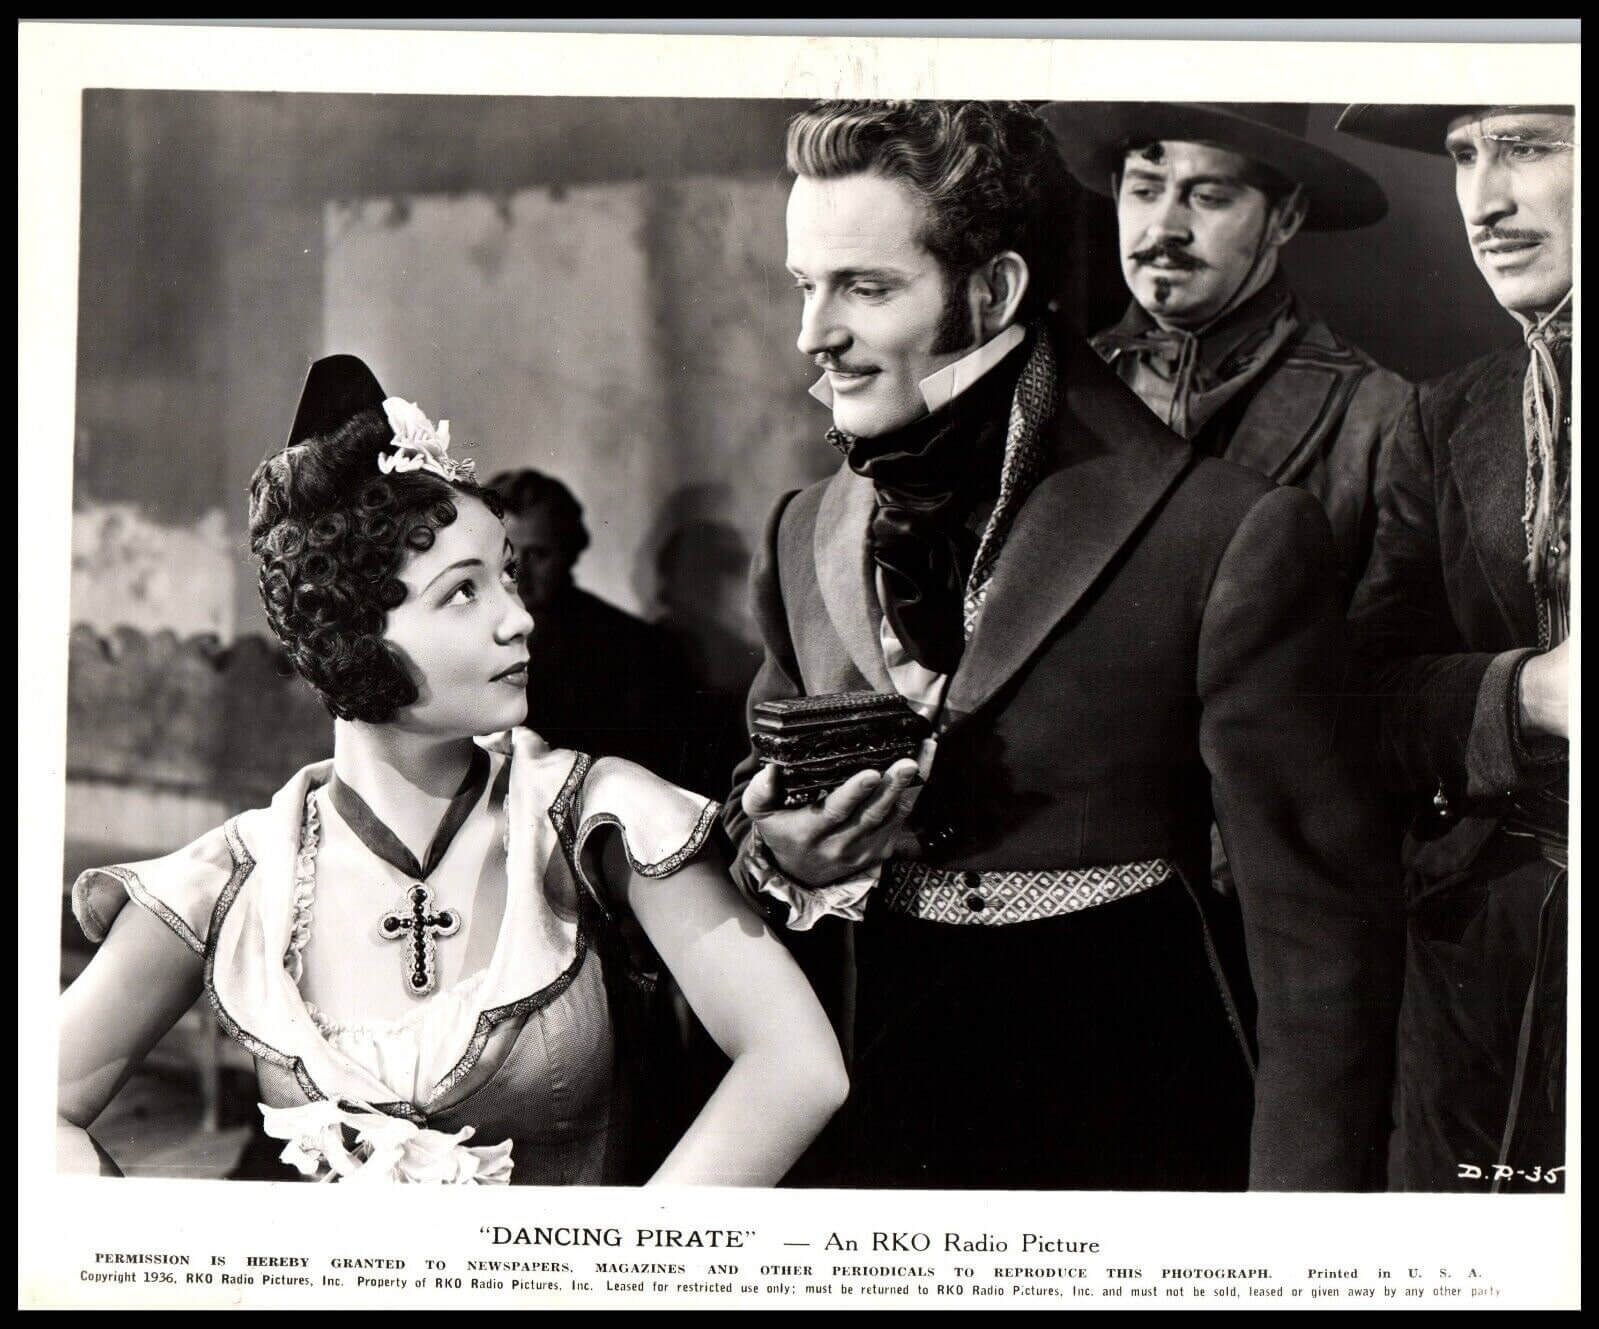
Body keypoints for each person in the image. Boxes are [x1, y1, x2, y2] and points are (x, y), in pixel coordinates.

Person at [725, 100, 1403, 1191]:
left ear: (993, 291)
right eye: (806, 285)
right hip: (877, 1124)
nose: (814, 333)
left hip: (1134, 1111)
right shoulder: (801, 529)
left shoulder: (1227, 534)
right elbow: (752, 807)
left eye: (865, 288)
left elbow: (1319, 947)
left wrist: (1295, 1235)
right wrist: (786, 857)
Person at [58, 355, 846, 1185]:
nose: (519, 618)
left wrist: (628, 1253)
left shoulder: (593, 813)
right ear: (351, 630)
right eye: (463, 592)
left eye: (507, 575)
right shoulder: (239, 873)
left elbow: (797, 1064)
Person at [1336, 103, 1574, 1193]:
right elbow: (1361, 697)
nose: (1485, 200)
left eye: (1527, 147)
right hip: (1483, 965)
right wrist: (1530, 696)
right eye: (1464, 156)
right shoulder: (1449, 415)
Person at [1042, 101, 1412, 602]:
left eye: (1208, 197)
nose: (1163, 227)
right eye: (1144, 191)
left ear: (1285, 217)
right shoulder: (1052, 385)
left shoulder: (1379, 417)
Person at [485, 468, 699, 787]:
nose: (520, 573)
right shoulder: (463, 638)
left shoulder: (637, 650)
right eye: (508, 556)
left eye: (539, 554)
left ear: (569, 552)